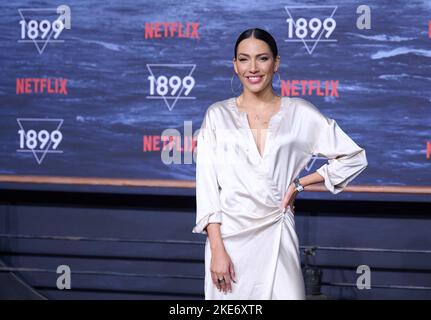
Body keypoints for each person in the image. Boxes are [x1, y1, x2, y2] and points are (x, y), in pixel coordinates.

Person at [192, 28, 368, 300]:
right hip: (229, 241)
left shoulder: (300, 112)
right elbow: (206, 189)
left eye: (262, 58)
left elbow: (353, 157)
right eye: (244, 59)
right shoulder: (217, 115)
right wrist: (217, 249)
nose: (253, 68)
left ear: (276, 63)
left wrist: (300, 184)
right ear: (235, 65)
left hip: (278, 231)